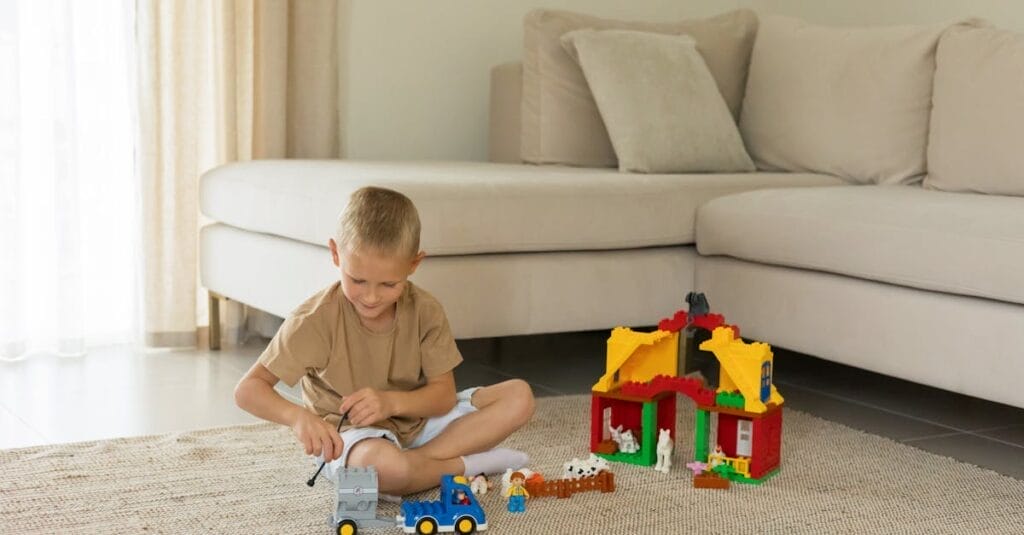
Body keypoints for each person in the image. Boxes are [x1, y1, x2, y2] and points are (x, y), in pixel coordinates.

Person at [234, 186, 534, 496]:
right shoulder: (314, 320)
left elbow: (443, 397)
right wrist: (299, 418)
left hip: (419, 425)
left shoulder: (425, 310)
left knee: (519, 396)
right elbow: (248, 390)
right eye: (357, 280)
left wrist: (390, 402)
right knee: (387, 468)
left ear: (414, 264)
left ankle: (419, 464)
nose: (371, 296)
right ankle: (464, 465)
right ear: (336, 254)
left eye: (389, 284)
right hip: (353, 437)